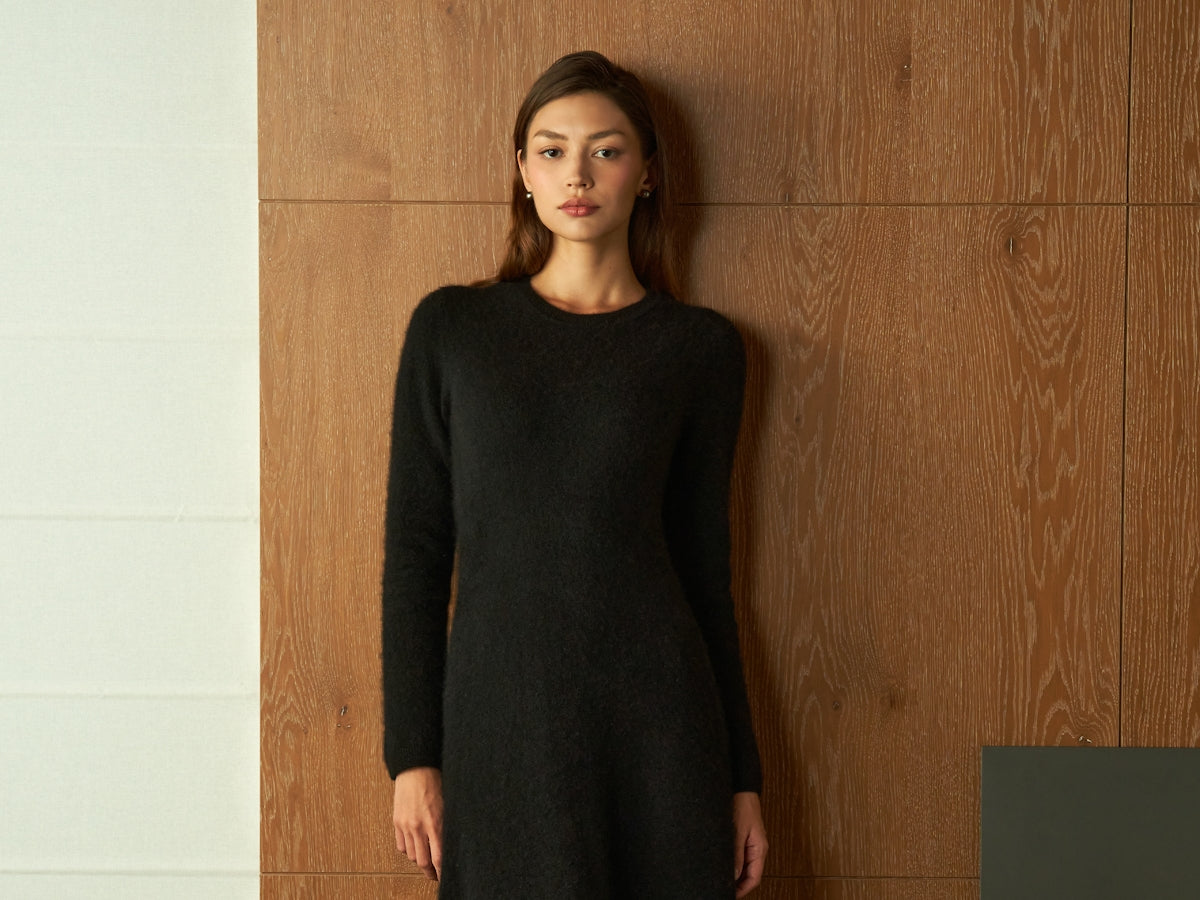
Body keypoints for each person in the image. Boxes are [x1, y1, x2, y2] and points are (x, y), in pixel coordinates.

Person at [382, 50, 768, 898]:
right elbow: (415, 553)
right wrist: (411, 755)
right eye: (552, 150)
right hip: (500, 732)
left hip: (661, 733)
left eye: (607, 149)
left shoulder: (699, 349)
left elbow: (706, 571)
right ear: (521, 171)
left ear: (649, 174)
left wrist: (743, 778)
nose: (577, 174)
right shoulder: (454, 332)